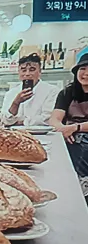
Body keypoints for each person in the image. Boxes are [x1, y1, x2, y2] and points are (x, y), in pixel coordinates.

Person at [49, 54, 88, 197]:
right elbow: (54, 119)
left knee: (82, 141)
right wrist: (62, 130)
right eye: (82, 68)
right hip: (69, 135)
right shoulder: (67, 92)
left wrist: (74, 128)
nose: (86, 73)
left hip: (78, 134)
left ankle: (81, 183)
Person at [0, 53, 61, 127]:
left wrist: (23, 122)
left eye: (32, 70)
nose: (27, 74)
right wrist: (16, 103)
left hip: (41, 135)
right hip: (15, 135)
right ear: (18, 72)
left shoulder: (52, 91)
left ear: (40, 71)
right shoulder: (11, 93)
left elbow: (48, 118)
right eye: (23, 70)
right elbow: (4, 120)